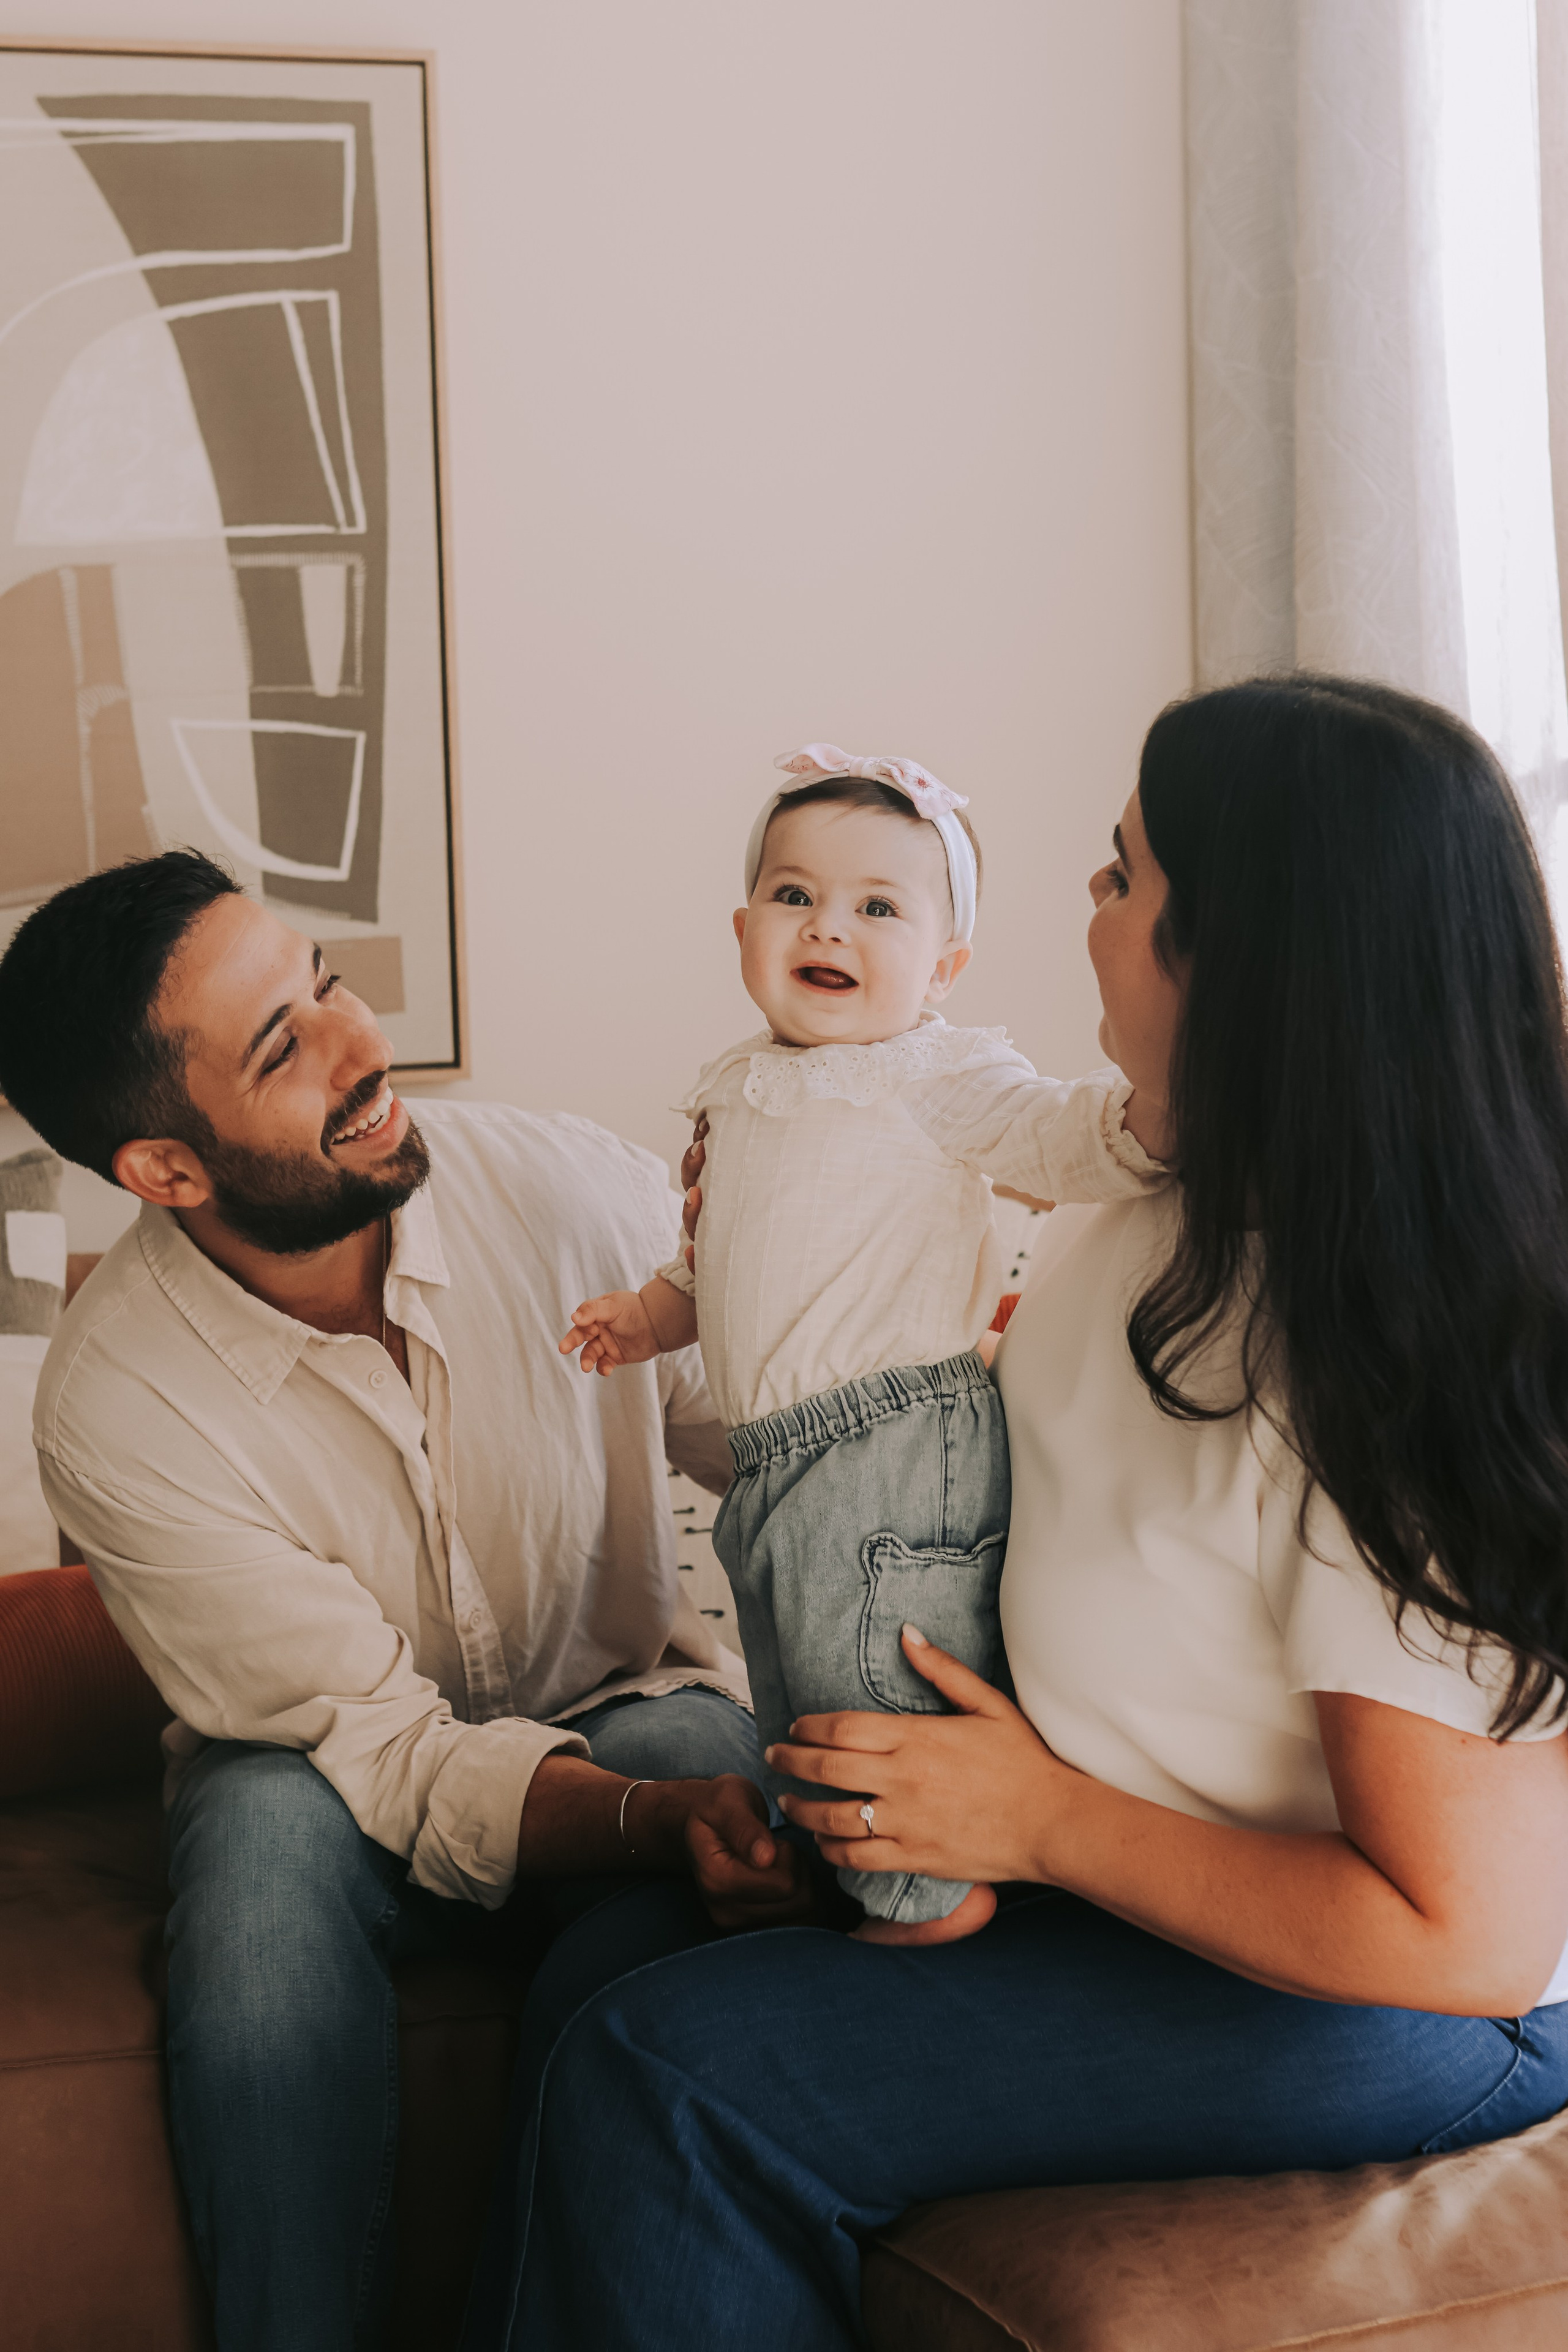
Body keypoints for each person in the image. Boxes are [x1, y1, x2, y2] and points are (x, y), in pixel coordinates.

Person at [467, 677, 1568, 2351]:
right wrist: (882, 1819)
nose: (1088, 909)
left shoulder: (1389, 1370)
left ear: (1240, 958)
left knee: (669, 2074)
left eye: (1121, 879)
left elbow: (1464, 1933)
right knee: (598, 1956)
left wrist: (1034, 1823)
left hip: (1395, 1996)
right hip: (1128, 1874)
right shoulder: (1150, 1185)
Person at [0, 850, 813, 2352]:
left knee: (696, 1800)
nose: (363, 1046)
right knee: (250, 1866)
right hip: (320, 1775)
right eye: (282, 1046)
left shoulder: (569, 1192)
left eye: (323, 984)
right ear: (164, 1171)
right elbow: (382, 1753)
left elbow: (794, 1450)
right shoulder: (116, 1403)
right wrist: (645, 1833)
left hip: (622, 1710)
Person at [560, 742, 1166, 1938]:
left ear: (942, 966)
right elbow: (714, 1255)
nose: (825, 927)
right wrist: (646, 1313)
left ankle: (926, 1911)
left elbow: (1060, 1138)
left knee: (873, 1701)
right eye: (793, 896)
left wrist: (1158, 1117)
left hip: (894, 1446)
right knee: (796, 1709)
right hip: (773, 1462)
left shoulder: (936, 1073)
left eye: (875, 907)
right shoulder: (736, 1088)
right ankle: (845, 1887)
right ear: (742, 928)